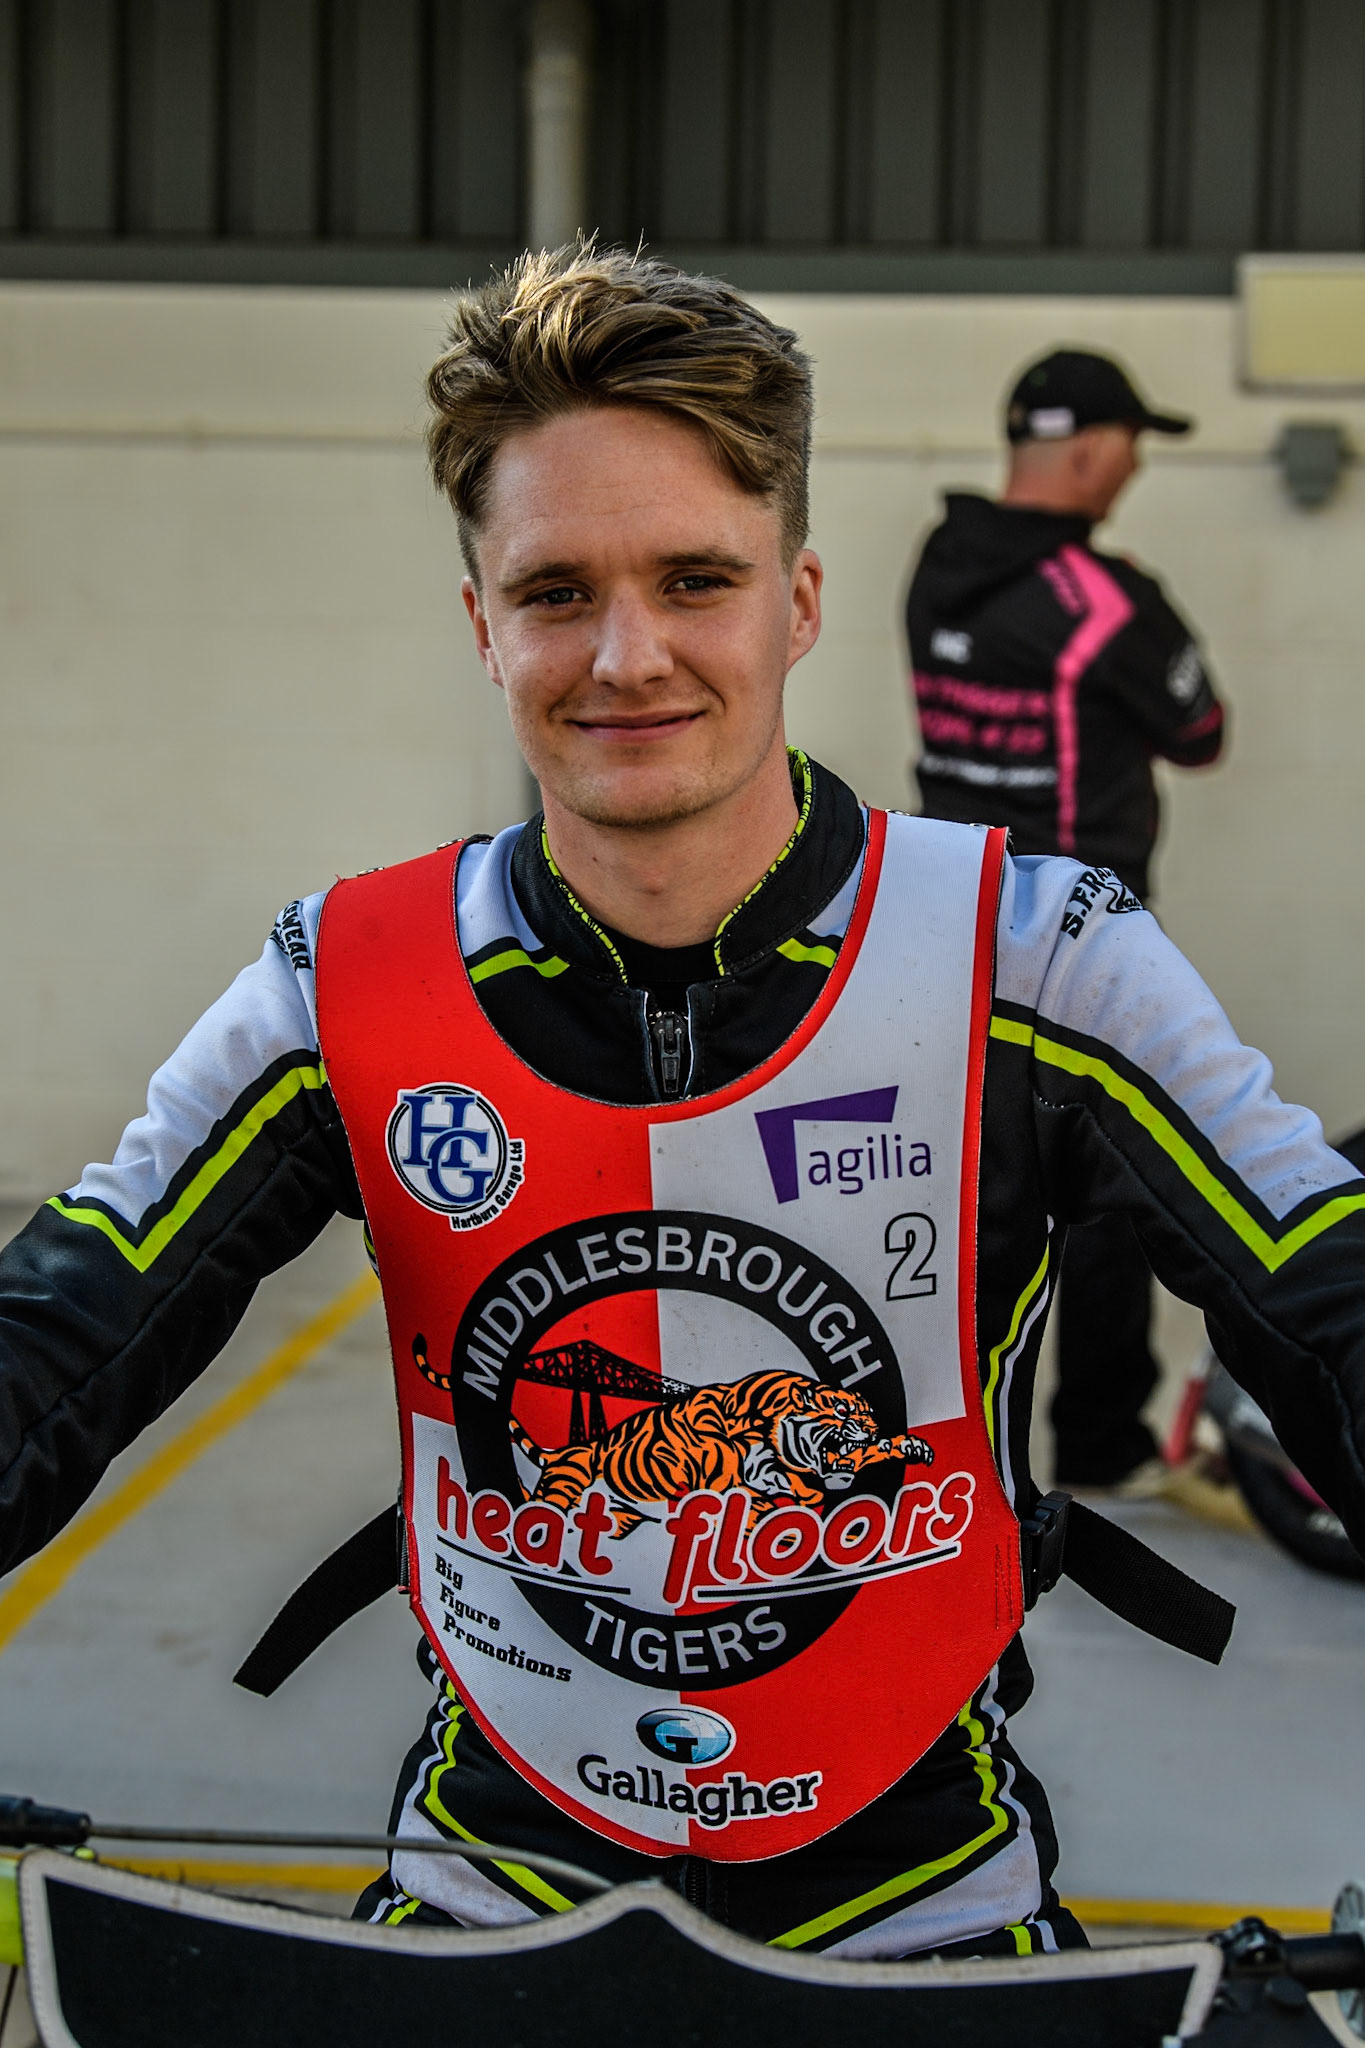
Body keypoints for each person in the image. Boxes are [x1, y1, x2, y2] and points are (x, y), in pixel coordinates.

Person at [2, 250, 1363, 1966]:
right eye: (557, 588)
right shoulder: (341, 978)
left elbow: (1332, 1306)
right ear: (481, 620)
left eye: (694, 578)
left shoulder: (1044, 957)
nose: (627, 656)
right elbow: (55, 1335)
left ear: (797, 602)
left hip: (924, 1890)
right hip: (494, 1878)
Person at [905, 348, 1227, 1492]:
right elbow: (1201, 732)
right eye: (1134, 443)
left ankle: (940, 1455)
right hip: (1086, 940)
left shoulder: (938, 564)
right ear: (1092, 448)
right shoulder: (1105, 599)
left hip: (951, 927)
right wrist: (1144, 602)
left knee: (964, 1185)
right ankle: (1099, 1445)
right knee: (1105, 1185)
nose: (1134, 465)